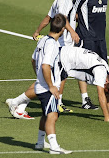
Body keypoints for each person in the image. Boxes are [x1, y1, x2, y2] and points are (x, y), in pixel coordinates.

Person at [8, 14, 72, 154]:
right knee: (52, 115)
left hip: (41, 84)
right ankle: (54, 147)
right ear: (62, 30)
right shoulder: (52, 45)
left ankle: (39, 142)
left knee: (45, 114)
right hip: (47, 87)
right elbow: (45, 66)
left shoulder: (42, 40)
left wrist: (38, 76)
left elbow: (33, 60)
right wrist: (51, 86)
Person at [33, 0, 98, 112]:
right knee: (62, 73)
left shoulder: (59, 0)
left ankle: (64, 101)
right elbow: (62, 18)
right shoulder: (66, 1)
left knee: (63, 72)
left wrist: (37, 31)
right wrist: (73, 32)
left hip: (61, 43)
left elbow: (48, 17)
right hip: (64, 44)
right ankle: (58, 102)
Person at [6, 45, 109, 122]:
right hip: (62, 60)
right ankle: (15, 102)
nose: (104, 92)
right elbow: (101, 95)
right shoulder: (101, 72)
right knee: (47, 88)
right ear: (106, 81)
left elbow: (106, 93)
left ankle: (19, 107)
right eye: (105, 88)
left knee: (42, 83)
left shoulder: (105, 70)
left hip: (65, 57)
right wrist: (106, 117)